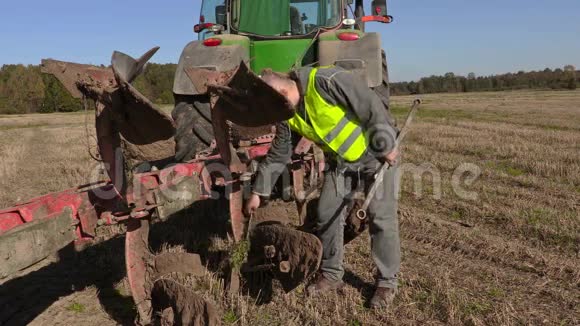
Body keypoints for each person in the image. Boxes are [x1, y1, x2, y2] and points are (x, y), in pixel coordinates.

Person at [244, 66, 400, 309]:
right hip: (341, 164)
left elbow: (370, 104)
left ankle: (386, 282)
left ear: (284, 91)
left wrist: (386, 144)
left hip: (374, 155)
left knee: (381, 217)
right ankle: (331, 273)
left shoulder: (326, 81)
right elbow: (279, 154)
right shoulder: (287, 113)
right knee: (326, 213)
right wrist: (258, 192)